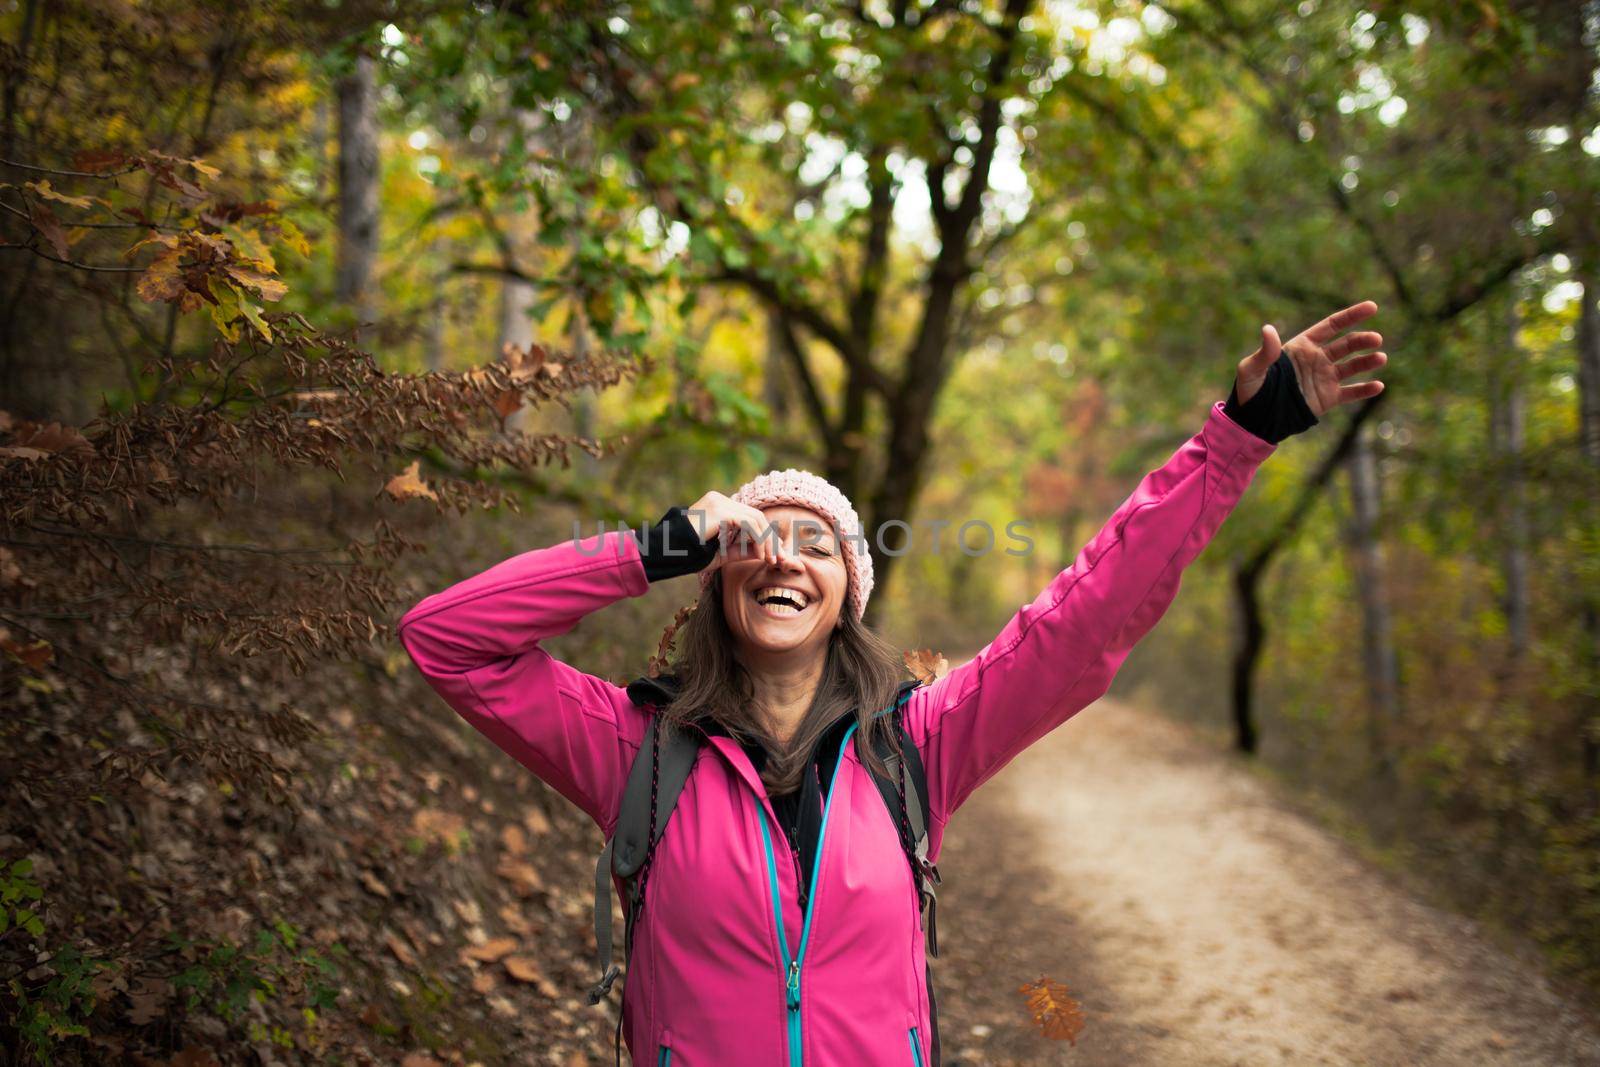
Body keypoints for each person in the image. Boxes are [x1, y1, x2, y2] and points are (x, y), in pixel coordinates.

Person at [397, 301, 1388, 1066]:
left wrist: (1231, 442)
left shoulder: (919, 743)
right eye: (754, 538)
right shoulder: (635, 751)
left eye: (816, 544)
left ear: (846, 597)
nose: (784, 557)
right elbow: (445, 640)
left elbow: (1083, 619)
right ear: (717, 582)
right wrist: (653, 546)